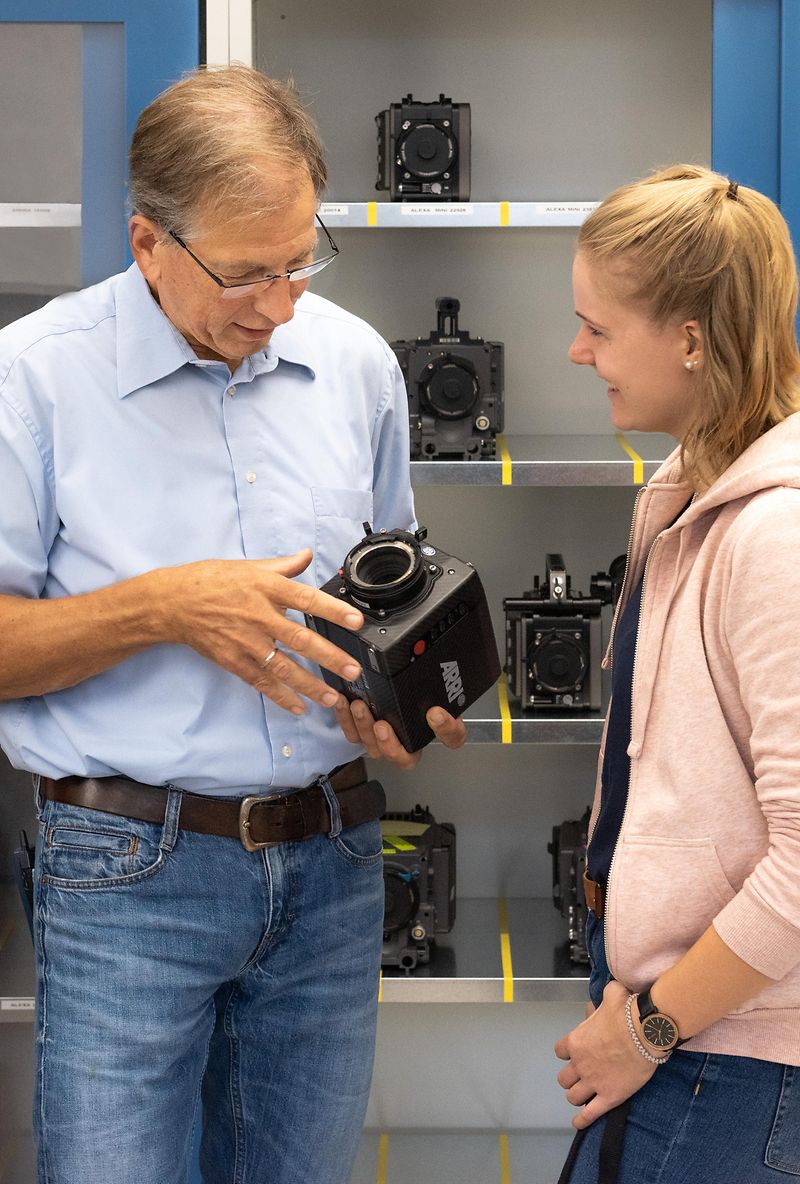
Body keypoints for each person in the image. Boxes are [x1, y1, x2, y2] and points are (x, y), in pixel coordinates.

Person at [0, 66, 465, 1184]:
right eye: (246, 273)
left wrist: (390, 699)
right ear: (147, 242)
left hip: (336, 860)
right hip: (125, 871)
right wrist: (166, 605)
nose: (280, 303)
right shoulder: (35, 380)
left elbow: (381, 595)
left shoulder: (354, 363)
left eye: (301, 258)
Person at [553, 165, 800, 1184]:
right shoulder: (683, 496)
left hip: (731, 1070)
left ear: (689, 338)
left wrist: (644, 1028)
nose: (577, 351)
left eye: (598, 328)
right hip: (689, 1050)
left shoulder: (775, 533)